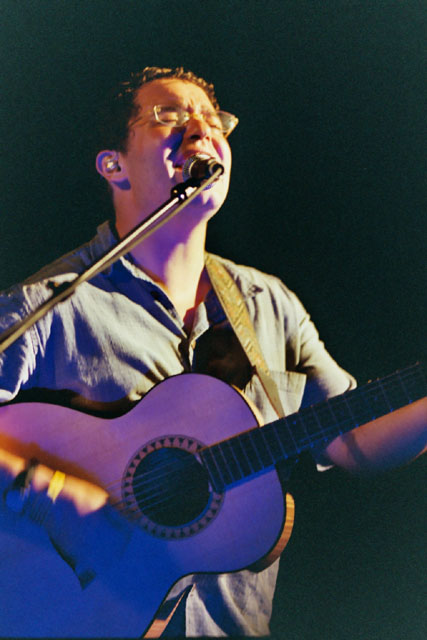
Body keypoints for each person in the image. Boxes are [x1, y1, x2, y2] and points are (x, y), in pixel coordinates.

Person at [0, 66, 425, 638]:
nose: (202, 129)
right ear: (114, 165)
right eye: (171, 116)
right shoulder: (51, 304)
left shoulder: (268, 304)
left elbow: (352, 439)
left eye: (213, 119)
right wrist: (51, 496)